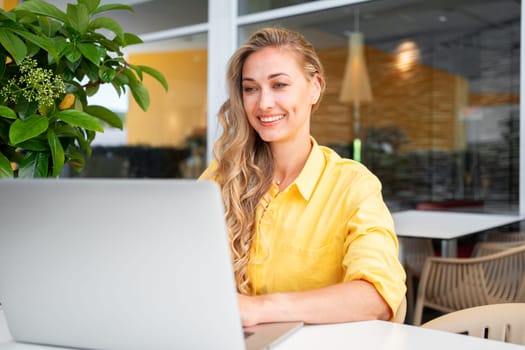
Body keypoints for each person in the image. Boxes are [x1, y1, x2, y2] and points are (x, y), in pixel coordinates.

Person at [200, 27, 406, 327]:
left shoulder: (353, 186)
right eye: (250, 88)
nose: (264, 103)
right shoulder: (221, 178)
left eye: (279, 84)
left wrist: (259, 309)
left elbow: (376, 296)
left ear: (315, 87)